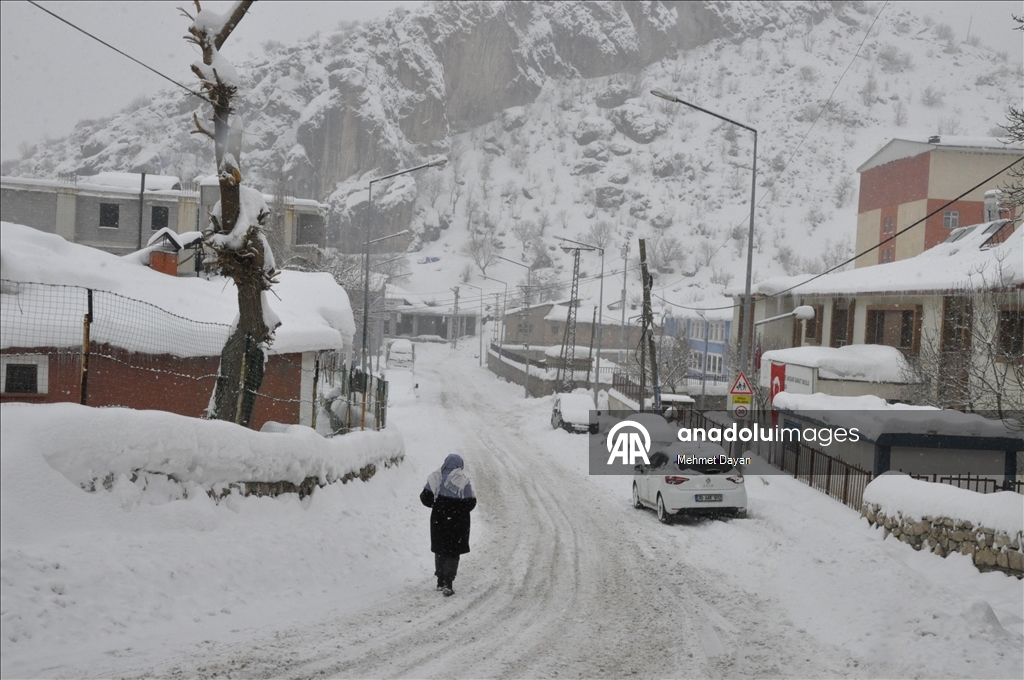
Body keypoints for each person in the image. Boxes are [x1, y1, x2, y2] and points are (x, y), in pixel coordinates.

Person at [420, 453, 476, 596]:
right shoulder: (463, 481)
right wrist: (457, 509)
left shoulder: (436, 478)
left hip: (439, 521)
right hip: (457, 523)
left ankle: (440, 581)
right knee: (452, 551)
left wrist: (438, 505)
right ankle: (448, 583)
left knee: (440, 550)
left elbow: (425, 498)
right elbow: (470, 503)